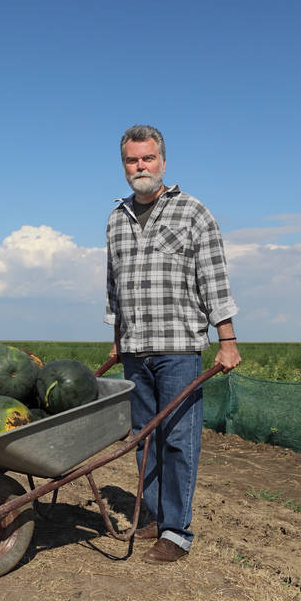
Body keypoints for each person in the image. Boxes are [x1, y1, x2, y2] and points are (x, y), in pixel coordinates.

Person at [105, 124, 241, 565]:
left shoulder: (193, 213)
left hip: (178, 349)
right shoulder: (116, 218)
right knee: (145, 438)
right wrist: (116, 340)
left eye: (148, 158)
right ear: (124, 165)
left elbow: (214, 282)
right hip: (135, 349)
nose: (140, 166)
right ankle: (150, 517)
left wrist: (227, 341)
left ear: (163, 161)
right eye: (132, 160)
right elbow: (115, 288)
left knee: (179, 440)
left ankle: (176, 531)